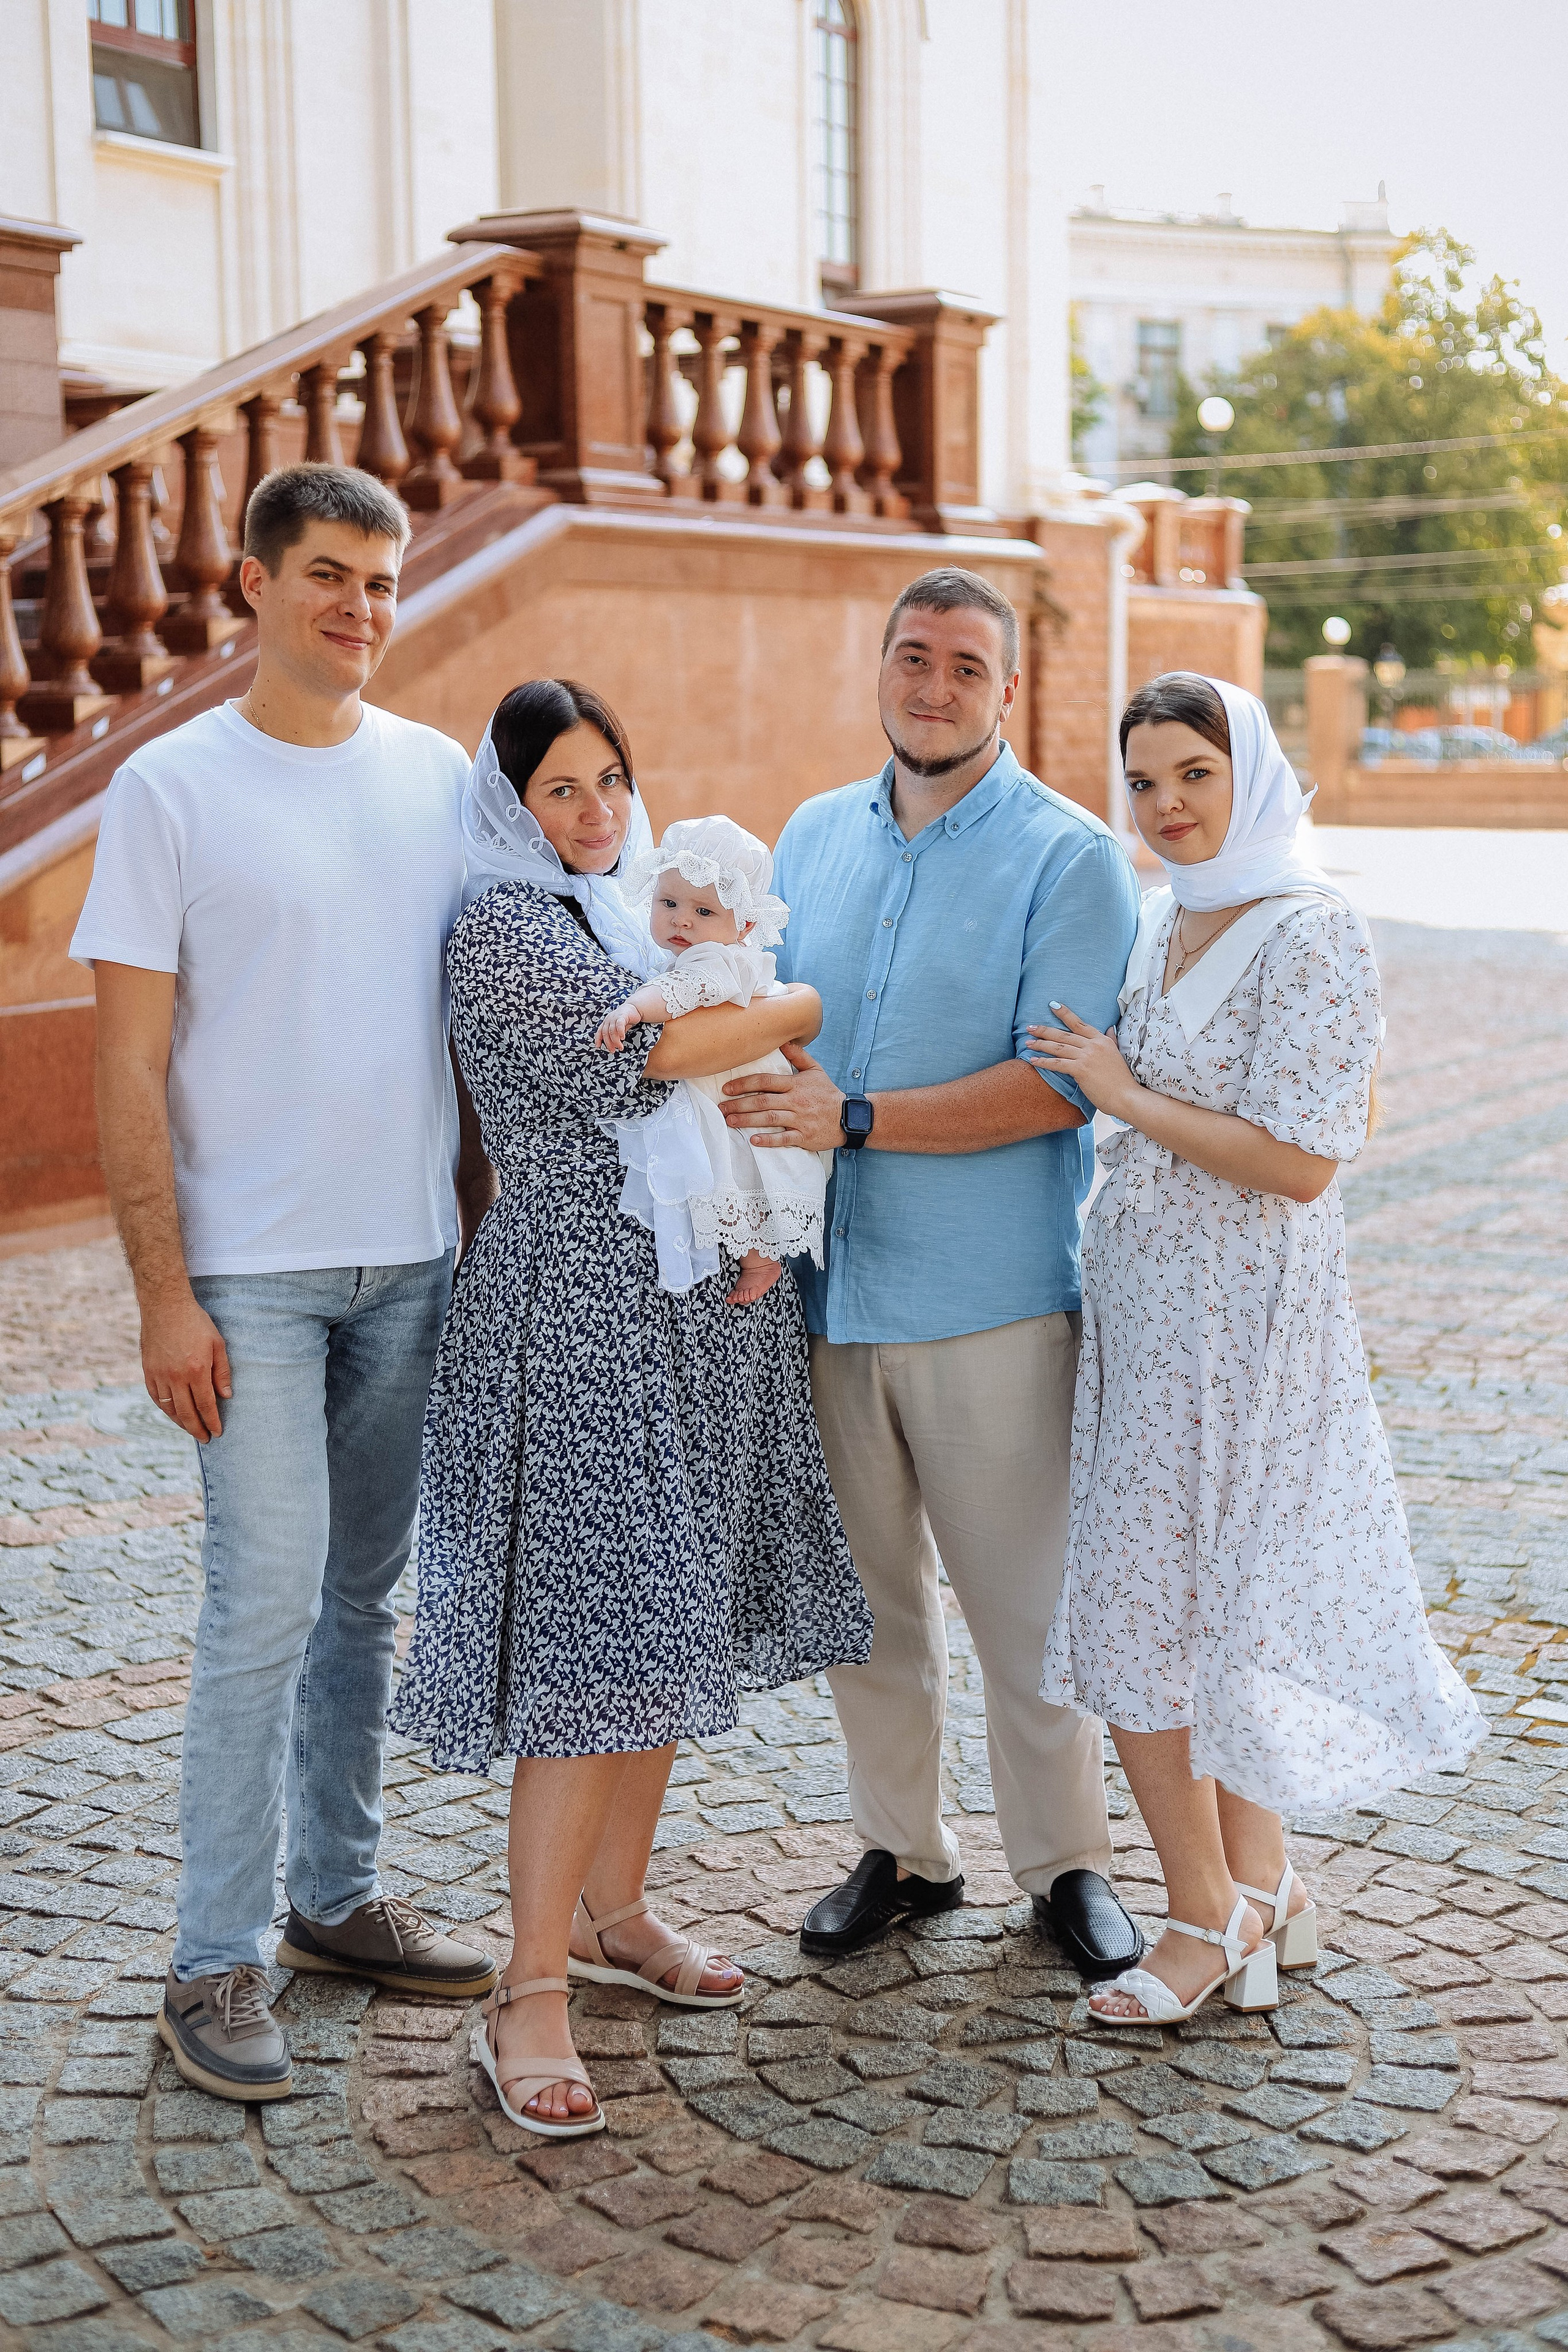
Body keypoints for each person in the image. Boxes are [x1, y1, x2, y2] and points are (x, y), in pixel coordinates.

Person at [387, 681, 872, 2138]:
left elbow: (746, 1072)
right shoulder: (503, 929)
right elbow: (660, 1060)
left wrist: (763, 1029)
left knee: (662, 1622)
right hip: (573, 1323)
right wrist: (792, 1002)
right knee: (587, 1641)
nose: (593, 813)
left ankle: (612, 1914)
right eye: (559, 789)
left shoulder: (637, 909)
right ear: (509, 806)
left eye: (609, 780)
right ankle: (524, 1986)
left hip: (694, 1313)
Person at [72, 461, 500, 2103]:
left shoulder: (441, 779)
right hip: (247, 1279)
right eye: (326, 575)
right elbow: (126, 1066)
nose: (359, 610)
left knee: (360, 1608)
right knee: (261, 1608)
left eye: (382, 584)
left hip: (412, 1266)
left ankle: (335, 1896)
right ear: (250, 582)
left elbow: (477, 1017)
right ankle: (213, 1956)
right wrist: (160, 1293)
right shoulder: (169, 789)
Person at [1030, 671, 1485, 2024]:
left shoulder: (1312, 930)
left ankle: (1194, 1916)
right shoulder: (1165, 919)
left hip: (1243, 1325)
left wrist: (1122, 1092)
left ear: (1249, 774)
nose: (1164, 806)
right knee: (1185, 1609)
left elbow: (1300, 1160)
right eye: (1144, 781)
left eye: (1192, 775)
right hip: (1144, 1319)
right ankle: (1260, 1884)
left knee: (1152, 1616)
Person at [719, 567, 1146, 1978]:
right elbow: (766, 1031)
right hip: (831, 1294)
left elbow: (1055, 1086)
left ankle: (1065, 1861)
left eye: (966, 665)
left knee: (1023, 1607)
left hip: (991, 1299)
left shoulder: (1069, 856)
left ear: (1006, 690)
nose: (933, 684)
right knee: (871, 1606)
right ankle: (900, 1849)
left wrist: (851, 1117)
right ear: (881, 669)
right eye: (912, 656)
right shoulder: (807, 834)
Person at [597, 814, 830, 1305]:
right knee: (722, 1164)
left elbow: (684, 991)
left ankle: (759, 1257)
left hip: (736, 1086)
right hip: (719, 1081)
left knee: (737, 1164)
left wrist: (633, 1009)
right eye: (669, 903)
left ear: (743, 925)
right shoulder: (698, 950)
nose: (682, 920)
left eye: (704, 911)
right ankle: (753, 1252)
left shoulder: (721, 960)